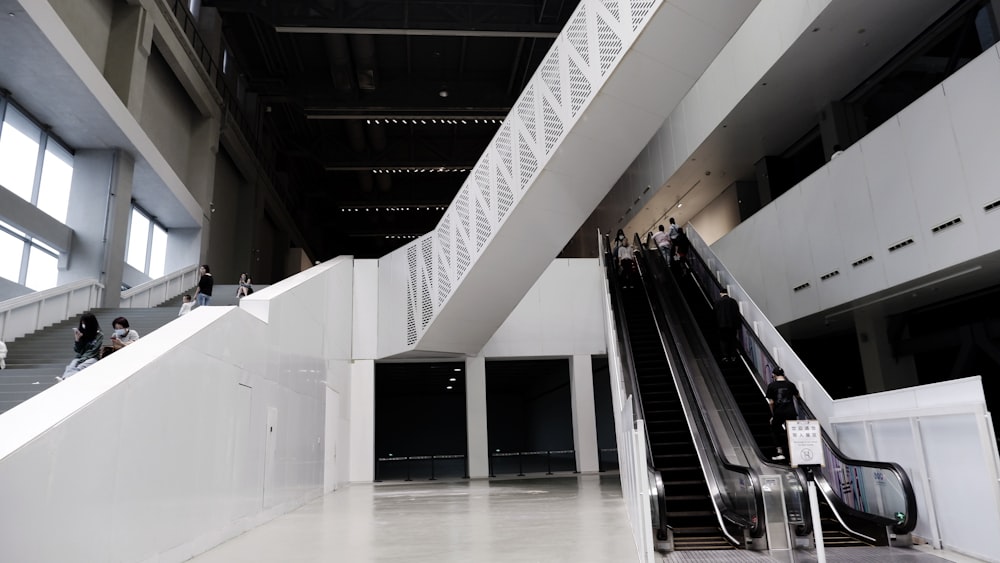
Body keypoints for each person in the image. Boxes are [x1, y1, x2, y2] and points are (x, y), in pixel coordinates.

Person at [57, 313, 104, 381]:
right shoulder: (81, 333)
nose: (83, 325)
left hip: (92, 357)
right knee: (71, 366)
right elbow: (77, 350)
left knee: (81, 366)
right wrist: (77, 339)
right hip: (80, 357)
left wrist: (81, 360)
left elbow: (93, 350)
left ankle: (66, 379)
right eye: (82, 323)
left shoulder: (99, 335)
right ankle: (65, 379)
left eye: (85, 323)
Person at [766, 367, 800, 461]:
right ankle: (795, 456)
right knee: (791, 433)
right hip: (791, 412)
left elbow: (771, 402)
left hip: (779, 412)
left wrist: (773, 415)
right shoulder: (790, 385)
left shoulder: (771, 386)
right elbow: (797, 395)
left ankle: (780, 452)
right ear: (783, 375)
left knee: (775, 429)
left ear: (774, 375)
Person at [715, 289, 740, 362]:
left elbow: (715, 314)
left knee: (723, 341)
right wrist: (737, 325)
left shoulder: (718, 302)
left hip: (721, 326)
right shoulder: (733, 301)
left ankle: (725, 356)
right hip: (732, 326)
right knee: (733, 340)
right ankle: (733, 356)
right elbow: (737, 314)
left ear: (721, 293)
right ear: (727, 293)